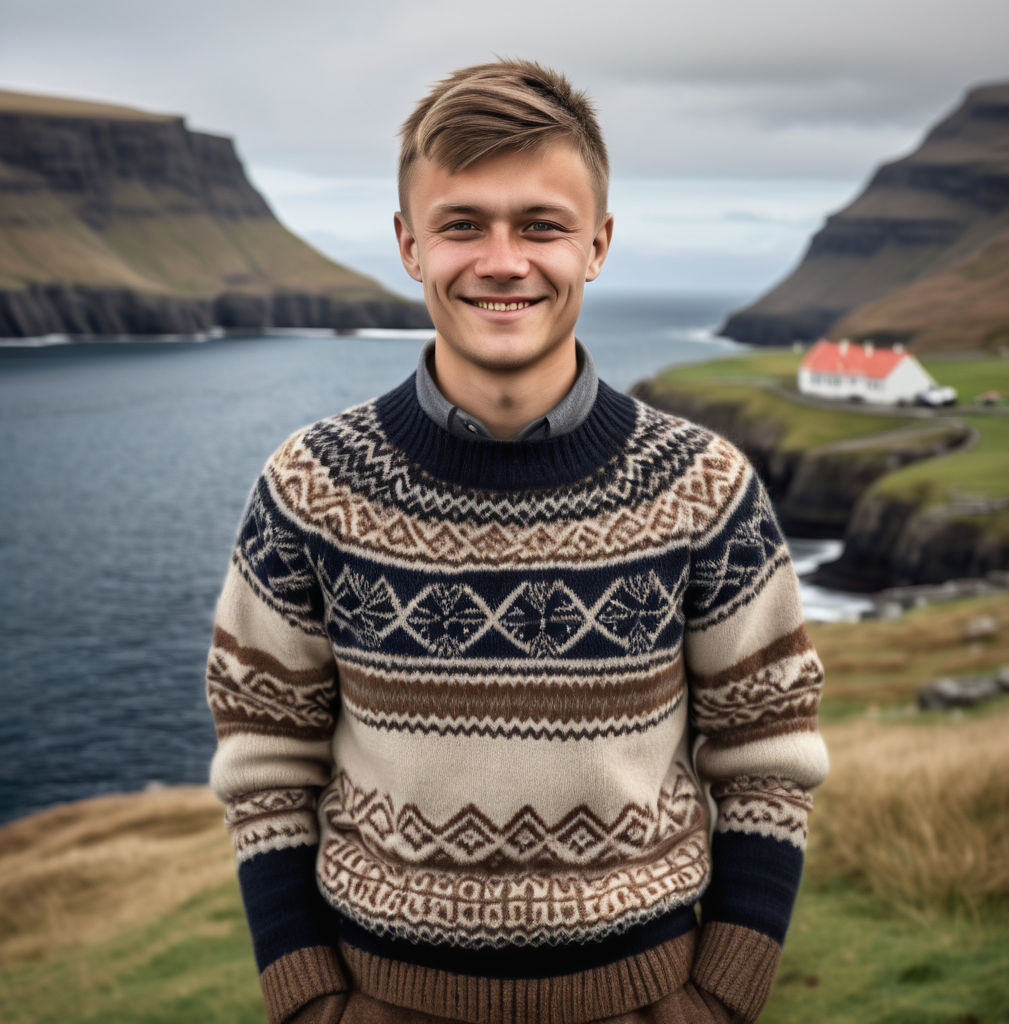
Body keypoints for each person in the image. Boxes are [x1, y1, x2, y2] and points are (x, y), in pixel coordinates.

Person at [206, 59, 829, 1024]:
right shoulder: (308, 486)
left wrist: (720, 1001)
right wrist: (309, 1004)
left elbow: (770, 758)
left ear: (599, 244)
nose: (503, 259)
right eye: (463, 224)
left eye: (541, 224)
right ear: (410, 246)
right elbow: (263, 762)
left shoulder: (706, 487)